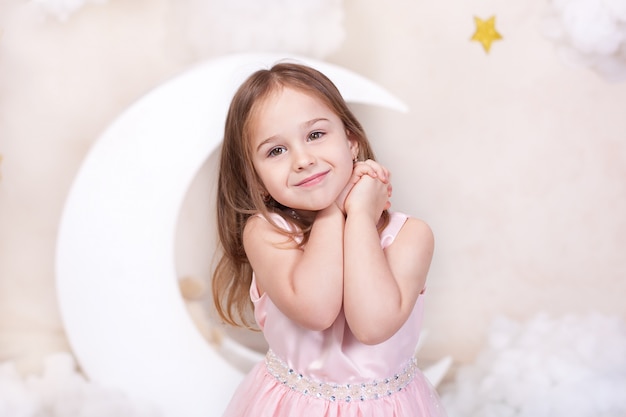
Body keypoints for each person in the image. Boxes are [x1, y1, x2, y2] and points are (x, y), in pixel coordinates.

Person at [212, 61, 446, 416]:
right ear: (256, 179)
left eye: (315, 135)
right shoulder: (267, 232)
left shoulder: (410, 236)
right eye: (276, 151)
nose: (303, 159)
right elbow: (317, 309)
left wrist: (362, 220)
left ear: (351, 141)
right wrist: (332, 211)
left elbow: (371, 325)